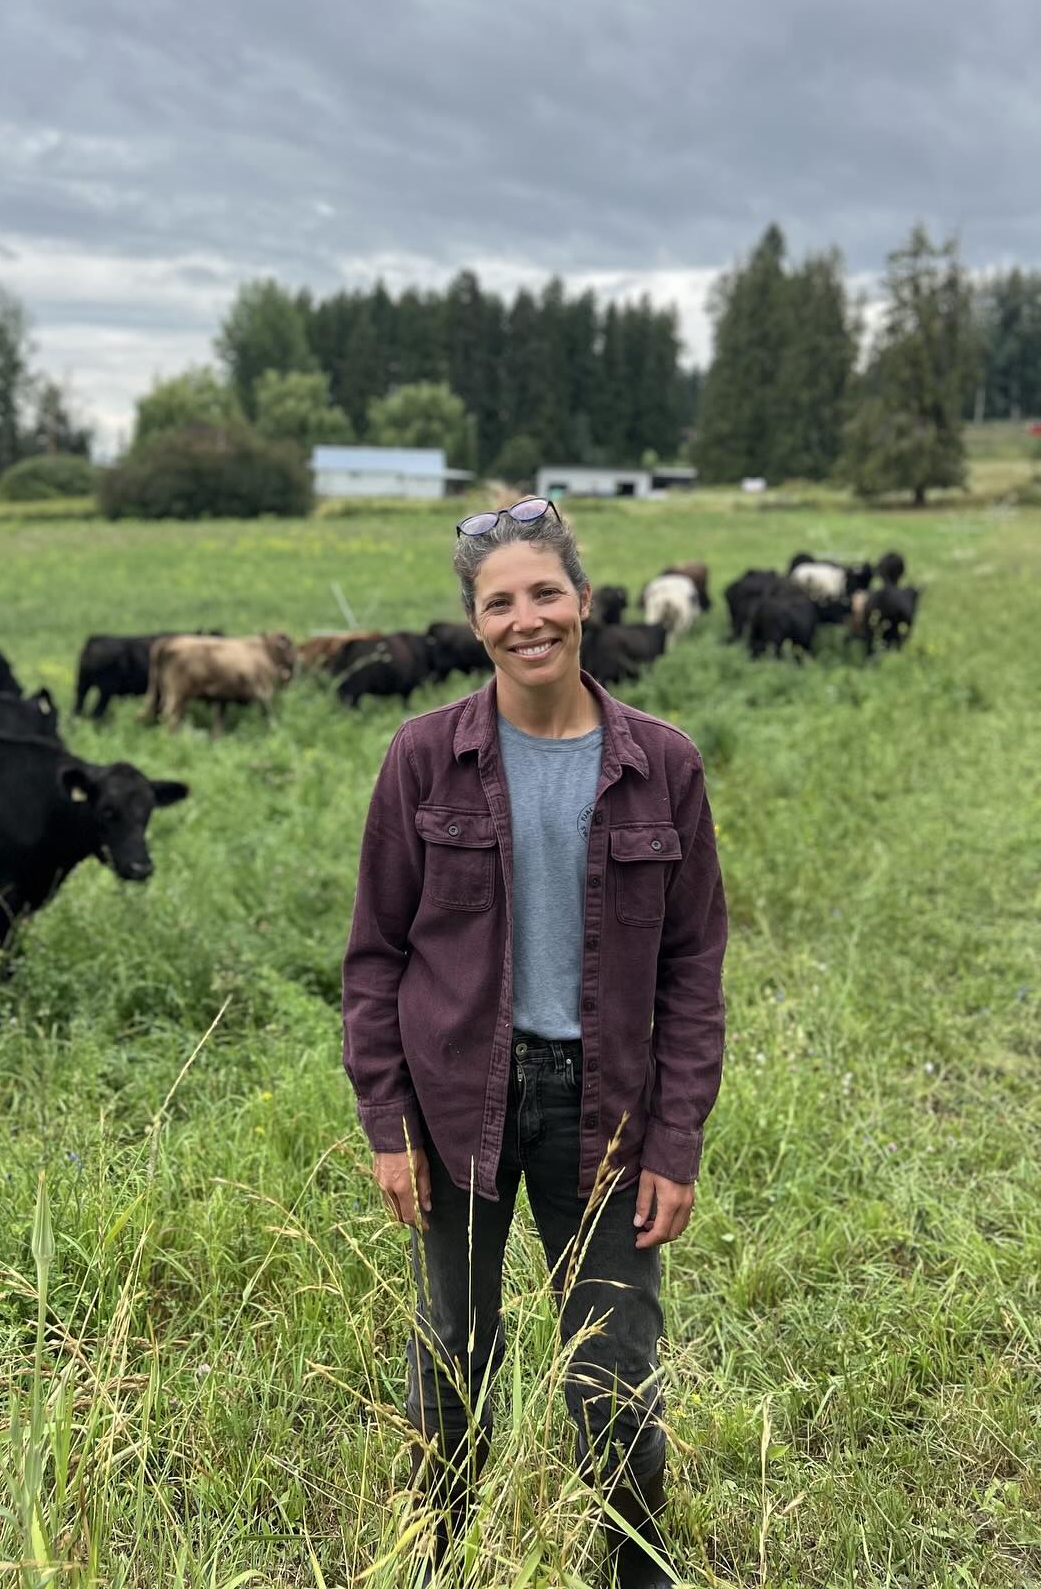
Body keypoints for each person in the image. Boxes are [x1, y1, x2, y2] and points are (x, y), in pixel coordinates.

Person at [342, 499, 727, 1586]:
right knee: (454, 1352)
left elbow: (693, 970)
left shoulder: (663, 764)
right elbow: (375, 956)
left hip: (607, 1111)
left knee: (614, 1364)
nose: (527, 619)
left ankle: (634, 1565)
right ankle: (441, 1555)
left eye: (545, 593)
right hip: (456, 1097)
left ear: (584, 601)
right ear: (475, 623)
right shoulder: (424, 758)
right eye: (500, 602)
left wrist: (675, 1143)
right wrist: (386, 1124)